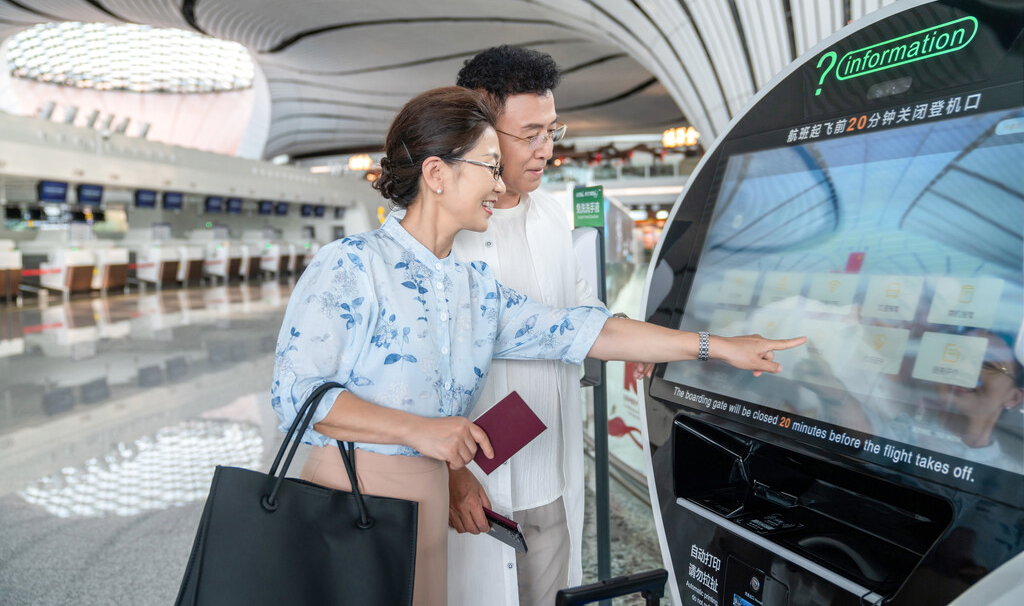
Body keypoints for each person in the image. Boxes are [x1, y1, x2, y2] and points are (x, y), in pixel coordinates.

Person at [270, 86, 804, 606]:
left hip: (425, 501)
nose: (498, 184)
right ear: (436, 174)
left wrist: (718, 346)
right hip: (350, 495)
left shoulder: (472, 287)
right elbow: (297, 394)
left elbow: (582, 330)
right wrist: (422, 432)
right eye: (488, 166)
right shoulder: (352, 264)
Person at [446, 45, 605, 606]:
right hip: (472, 486)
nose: (546, 150)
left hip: (549, 477)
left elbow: (584, 313)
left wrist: (672, 341)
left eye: (552, 131)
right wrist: (448, 475)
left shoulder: (553, 215)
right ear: (483, 132)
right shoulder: (444, 233)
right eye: (530, 134)